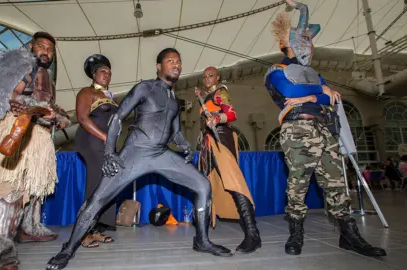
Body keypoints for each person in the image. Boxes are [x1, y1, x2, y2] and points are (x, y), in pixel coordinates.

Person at [46, 48, 233, 270]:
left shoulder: (174, 101)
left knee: (203, 185)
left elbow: (175, 132)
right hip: (134, 154)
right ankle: (68, 249)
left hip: (161, 154)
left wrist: (184, 147)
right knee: (96, 200)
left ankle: (201, 240)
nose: (176, 65)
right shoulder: (145, 88)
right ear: (159, 67)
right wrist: (109, 152)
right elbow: (117, 118)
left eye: (179, 61)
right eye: (170, 61)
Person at [264, 0, 386, 257]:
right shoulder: (277, 71)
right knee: (298, 182)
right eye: (303, 40)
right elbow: (289, 91)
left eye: (310, 41)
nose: (309, 46)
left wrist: (311, 96)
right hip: (297, 129)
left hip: (324, 129)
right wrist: (319, 91)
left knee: (337, 183)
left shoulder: (313, 73)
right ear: (285, 45)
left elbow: (333, 98)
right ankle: (296, 233)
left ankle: (348, 235)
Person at [0, 31, 71, 270]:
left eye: (50, 49)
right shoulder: (20, 65)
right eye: (41, 46)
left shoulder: (47, 78)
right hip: (15, 131)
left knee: (28, 194)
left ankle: (26, 231)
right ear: (31, 47)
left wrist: (56, 116)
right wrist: (29, 108)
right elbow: (3, 97)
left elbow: (55, 112)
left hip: (37, 140)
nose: (46, 51)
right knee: (6, 193)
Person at [195, 66, 261, 253]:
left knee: (234, 184)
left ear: (217, 77)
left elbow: (232, 114)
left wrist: (216, 118)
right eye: (204, 76)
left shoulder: (220, 92)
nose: (207, 79)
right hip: (207, 145)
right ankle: (201, 236)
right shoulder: (208, 96)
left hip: (220, 139)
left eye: (210, 76)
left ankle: (253, 234)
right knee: (203, 186)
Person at [74, 54, 117, 248]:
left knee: (106, 185)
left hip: (106, 145)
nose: (106, 74)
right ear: (94, 75)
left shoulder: (110, 96)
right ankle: (82, 233)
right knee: (95, 185)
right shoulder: (86, 92)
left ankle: (96, 229)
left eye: (108, 72)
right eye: (102, 71)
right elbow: (83, 118)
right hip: (92, 142)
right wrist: (105, 137)